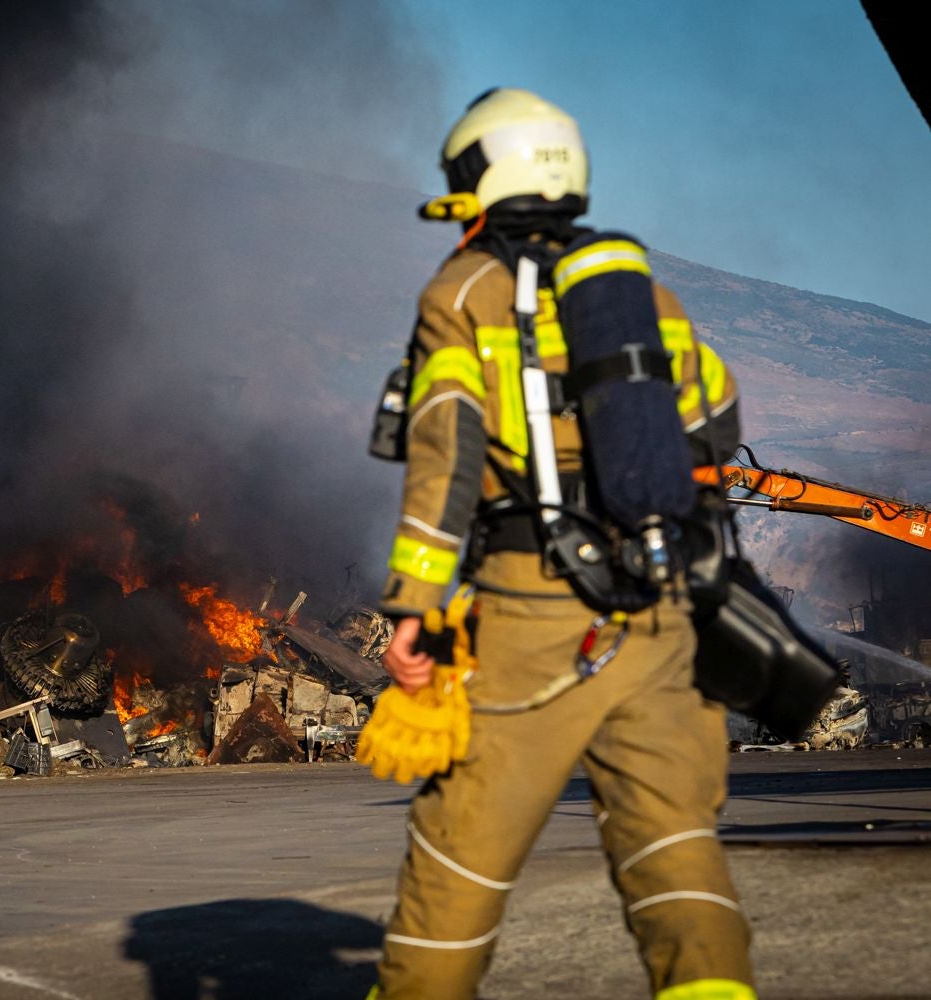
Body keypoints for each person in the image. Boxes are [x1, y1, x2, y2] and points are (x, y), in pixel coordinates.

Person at [370, 88, 752, 1000]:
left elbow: (444, 458)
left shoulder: (465, 289)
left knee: (456, 866)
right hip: (657, 618)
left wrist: (414, 610)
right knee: (675, 855)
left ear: (482, 175)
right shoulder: (641, 292)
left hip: (530, 617)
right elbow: (719, 421)